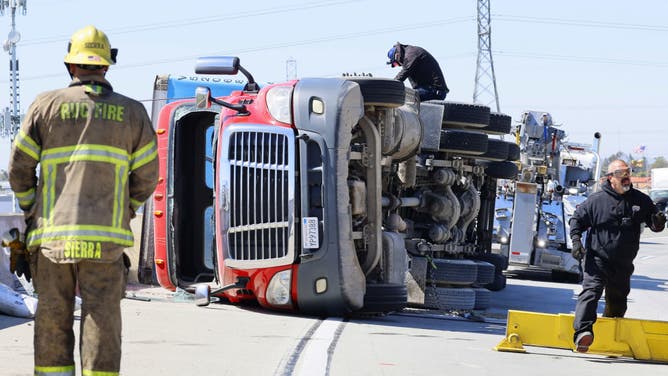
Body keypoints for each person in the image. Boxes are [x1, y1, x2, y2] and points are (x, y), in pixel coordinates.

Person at [8, 25, 158, 376]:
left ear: (71, 66)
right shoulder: (134, 114)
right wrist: (126, 208)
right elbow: (148, 176)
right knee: (102, 321)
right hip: (105, 243)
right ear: (106, 66)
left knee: (52, 321)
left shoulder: (45, 105)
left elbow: (18, 170)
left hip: (51, 242)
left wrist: (33, 209)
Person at [569, 160, 665, 353]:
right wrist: (576, 241)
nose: (627, 177)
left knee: (618, 299)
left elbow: (655, 225)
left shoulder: (640, 200)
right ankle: (583, 333)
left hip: (623, 263)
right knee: (591, 292)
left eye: (628, 172)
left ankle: (610, 335)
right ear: (611, 177)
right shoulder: (596, 201)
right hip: (597, 259)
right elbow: (576, 219)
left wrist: (659, 221)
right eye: (622, 173)